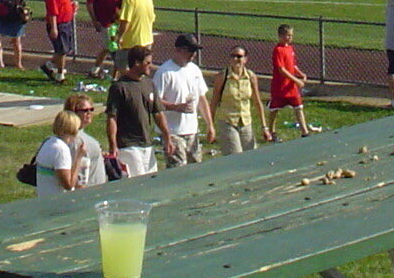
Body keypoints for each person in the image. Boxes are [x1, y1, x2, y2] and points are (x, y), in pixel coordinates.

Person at [105, 46, 172, 177]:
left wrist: (167, 137)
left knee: (151, 181)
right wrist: (113, 145)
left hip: (147, 144)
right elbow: (112, 117)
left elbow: (158, 113)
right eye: (147, 63)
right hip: (128, 145)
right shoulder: (119, 87)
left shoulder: (150, 84)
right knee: (137, 181)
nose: (151, 66)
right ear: (136, 63)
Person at [154, 34, 215, 165]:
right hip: (172, 131)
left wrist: (210, 125)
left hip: (192, 130)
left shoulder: (195, 70)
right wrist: (176, 107)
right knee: (178, 168)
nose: (193, 55)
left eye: (195, 51)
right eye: (190, 50)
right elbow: (155, 102)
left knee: (196, 167)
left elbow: (202, 99)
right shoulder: (164, 72)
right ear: (178, 50)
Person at [210, 45, 271, 155]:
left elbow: (257, 102)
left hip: (245, 121)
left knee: (250, 155)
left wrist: (264, 127)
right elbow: (214, 102)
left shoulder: (251, 77)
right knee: (235, 155)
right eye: (232, 56)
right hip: (227, 121)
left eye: (239, 56)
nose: (235, 59)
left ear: (245, 59)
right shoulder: (222, 77)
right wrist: (210, 126)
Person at [267, 25, 315, 137]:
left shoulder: (290, 48)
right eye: (287, 35)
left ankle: (304, 132)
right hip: (280, 86)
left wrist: (300, 74)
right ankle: (271, 131)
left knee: (298, 107)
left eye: (291, 35)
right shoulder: (278, 50)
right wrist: (296, 80)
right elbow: (281, 70)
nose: (289, 38)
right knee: (274, 109)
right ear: (280, 36)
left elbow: (293, 65)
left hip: (291, 87)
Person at [33, 109, 84, 196]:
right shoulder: (61, 150)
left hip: (44, 197)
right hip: (57, 201)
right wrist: (79, 158)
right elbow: (68, 185)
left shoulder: (48, 142)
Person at [86, 0, 124, 76]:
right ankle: (116, 75)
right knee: (113, 48)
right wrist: (94, 20)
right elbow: (89, 4)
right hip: (105, 23)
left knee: (107, 47)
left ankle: (95, 69)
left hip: (116, 21)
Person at [64, 91, 108, 186]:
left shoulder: (83, 136)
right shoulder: (75, 139)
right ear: (73, 112)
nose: (89, 113)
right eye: (85, 110)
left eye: (91, 109)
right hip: (89, 189)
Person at [42, 0, 77, 83]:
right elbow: (52, 11)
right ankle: (60, 74)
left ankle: (49, 66)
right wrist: (54, 27)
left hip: (66, 22)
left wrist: (72, 7)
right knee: (62, 50)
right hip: (59, 24)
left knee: (64, 49)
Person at [115, 0, 155, 69]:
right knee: (143, 69)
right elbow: (152, 18)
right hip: (147, 40)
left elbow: (125, 22)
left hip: (132, 42)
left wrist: (119, 37)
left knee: (123, 69)